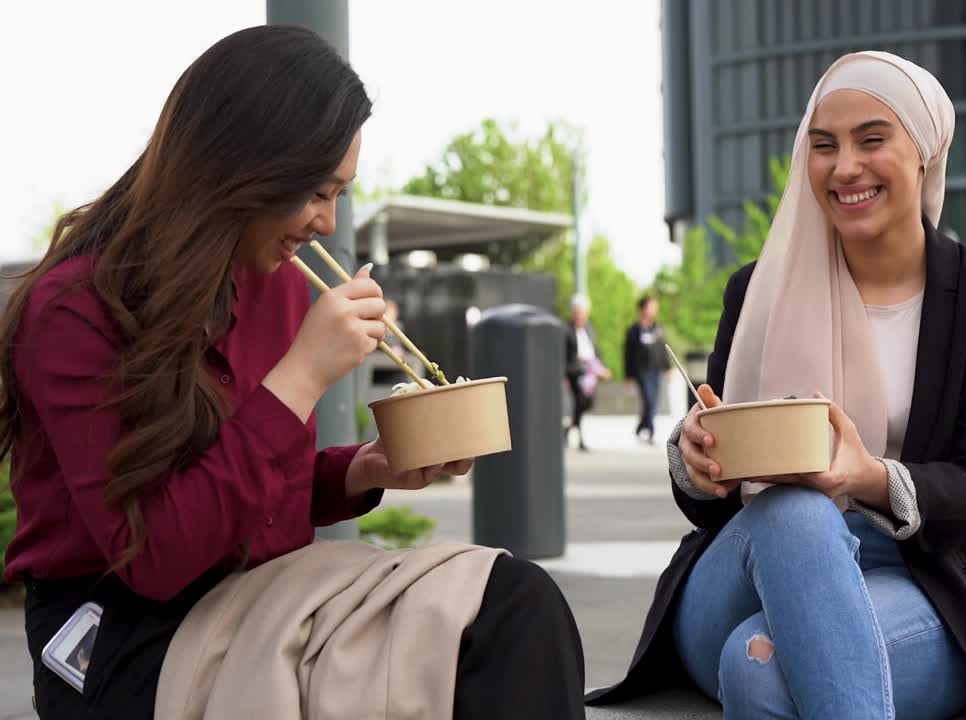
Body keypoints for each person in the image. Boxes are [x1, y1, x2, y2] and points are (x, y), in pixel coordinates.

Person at [0, 26, 584, 720]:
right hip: (119, 636)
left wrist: (361, 472)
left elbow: (248, 487)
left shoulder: (268, 278)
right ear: (240, 166)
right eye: (316, 191)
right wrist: (302, 375)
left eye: (340, 194)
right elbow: (155, 555)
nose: (328, 223)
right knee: (460, 640)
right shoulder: (73, 310)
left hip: (263, 591)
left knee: (509, 605)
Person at [587, 51, 966, 719]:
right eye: (823, 146)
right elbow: (715, 493)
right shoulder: (757, 291)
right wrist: (695, 457)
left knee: (756, 669)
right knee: (791, 504)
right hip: (742, 576)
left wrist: (866, 477)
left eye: (872, 140)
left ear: (923, 152)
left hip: (918, 580)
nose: (845, 168)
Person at [564, 294, 611, 451]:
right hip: (575, 373)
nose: (580, 316)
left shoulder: (589, 330)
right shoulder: (566, 331)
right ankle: (580, 439)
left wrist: (602, 368)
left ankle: (570, 427)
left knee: (587, 403)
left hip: (590, 374)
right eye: (578, 312)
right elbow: (563, 357)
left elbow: (596, 352)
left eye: (583, 313)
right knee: (579, 402)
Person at [623, 296, 671, 444]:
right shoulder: (634, 331)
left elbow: (663, 350)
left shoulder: (658, 329)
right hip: (641, 371)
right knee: (649, 401)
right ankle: (650, 432)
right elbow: (628, 354)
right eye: (652, 307)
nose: (655, 310)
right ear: (643, 309)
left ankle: (640, 428)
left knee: (653, 402)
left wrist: (667, 368)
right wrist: (628, 376)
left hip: (655, 370)